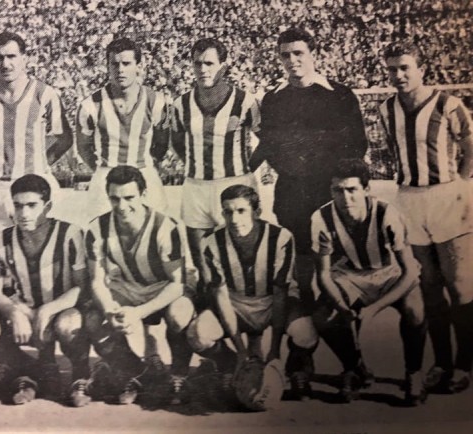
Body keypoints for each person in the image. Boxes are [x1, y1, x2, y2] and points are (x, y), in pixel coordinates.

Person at [249, 27, 368, 311]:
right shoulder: (273, 99)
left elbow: (357, 144)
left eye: (298, 53)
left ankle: (345, 316)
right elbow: (270, 145)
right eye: (285, 55)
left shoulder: (339, 95)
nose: (292, 60)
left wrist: (335, 179)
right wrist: (292, 169)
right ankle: (305, 316)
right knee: (301, 259)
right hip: (293, 191)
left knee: (339, 259)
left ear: (313, 54)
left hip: (331, 190)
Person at [379, 40, 473, 394]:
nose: (398, 75)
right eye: (392, 69)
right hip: (410, 200)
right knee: (429, 289)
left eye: (405, 68)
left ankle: (464, 364)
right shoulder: (386, 109)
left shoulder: (449, 104)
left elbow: (471, 147)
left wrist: (461, 183)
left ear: (421, 69)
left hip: (448, 196)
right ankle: (442, 362)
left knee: (460, 286)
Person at [187, 184, 318, 401]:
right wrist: (241, 351)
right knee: (197, 336)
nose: (234, 219)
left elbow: (280, 293)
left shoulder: (281, 237)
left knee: (306, 335)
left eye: (241, 211)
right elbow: (221, 297)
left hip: (271, 301)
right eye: (228, 212)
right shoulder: (211, 242)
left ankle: (294, 368)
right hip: (235, 303)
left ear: (257, 212)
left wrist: (274, 350)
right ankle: (229, 363)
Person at [311, 159, 427, 405]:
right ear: (330, 191)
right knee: (323, 316)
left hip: (390, 272)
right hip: (350, 276)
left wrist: (373, 309)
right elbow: (323, 275)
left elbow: (409, 272)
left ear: (366, 189)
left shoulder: (387, 213)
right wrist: (343, 309)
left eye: (351, 189)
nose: (345, 197)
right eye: (338, 190)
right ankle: (354, 368)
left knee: (415, 310)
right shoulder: (321, 218)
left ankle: (414, 373)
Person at [0, 174, 93, 407]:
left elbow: (83, 287)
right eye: (18, 205)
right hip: (23, 310)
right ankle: (31, 371)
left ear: (47, 207)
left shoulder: (70, 233)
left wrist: (48, 309)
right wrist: (14, 313)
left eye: (31, 205)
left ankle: (81, 374)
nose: (24, 213)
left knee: (68, 325)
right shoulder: (0, 239)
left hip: (61, 311)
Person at [84, 165, 195, 405]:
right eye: (115, 198)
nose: (122, 206)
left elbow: (177, 284)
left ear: (144, 195)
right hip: (127, 287)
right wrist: (109, 311)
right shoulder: (96, 228)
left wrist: (139, 313)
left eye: (129, 198)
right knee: (93, 319)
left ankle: (178, 375)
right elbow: (97, 281)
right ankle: (133, 371)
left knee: (180, 314)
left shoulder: (166, 227)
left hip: (163, 287)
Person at [0, 31, 73, 248]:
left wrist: (40, 164)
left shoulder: (45, 94)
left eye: (11, 56)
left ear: (25, 58)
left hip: (34, 185)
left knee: (40, 255)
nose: (5, 64)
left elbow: (65, 138)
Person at [171, 38, 261, 282]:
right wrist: (196, 164)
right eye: (197, 63)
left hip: (235, 184)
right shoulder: (180, 104)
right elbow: (177, 141)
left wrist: (246, 170)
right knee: (202, 262)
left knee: (242, 255)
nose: (203, 69)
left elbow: (266, 141)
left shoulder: (245, 101)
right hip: (196, 187)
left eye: (209, 63)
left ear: (223, 65)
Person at [76, 38, 170, 219]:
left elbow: (162, 143)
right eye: (115, 64)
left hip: (144, 173)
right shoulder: (90, 105)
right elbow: (83, 147)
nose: (120, 70)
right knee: (101, 231)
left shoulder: (157, 102)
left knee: (155, 227)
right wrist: (101, 169)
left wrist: (147, 165)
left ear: (139, 66)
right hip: (106, 174)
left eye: (126, 63)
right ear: (108, 66)